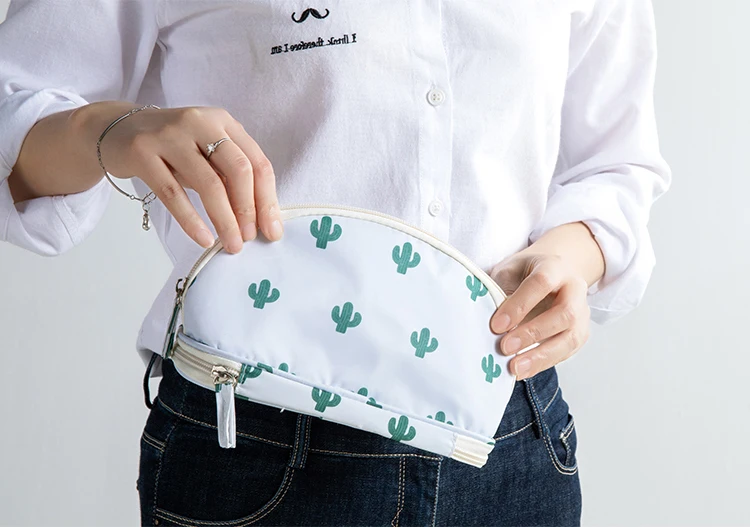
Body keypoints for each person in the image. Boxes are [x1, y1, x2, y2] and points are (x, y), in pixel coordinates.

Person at [0, 0, 671, 525]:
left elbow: (615, 163)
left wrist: (571, 255)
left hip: (511, 435)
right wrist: (107, 130)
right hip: (260, 437)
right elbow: (14, 102)